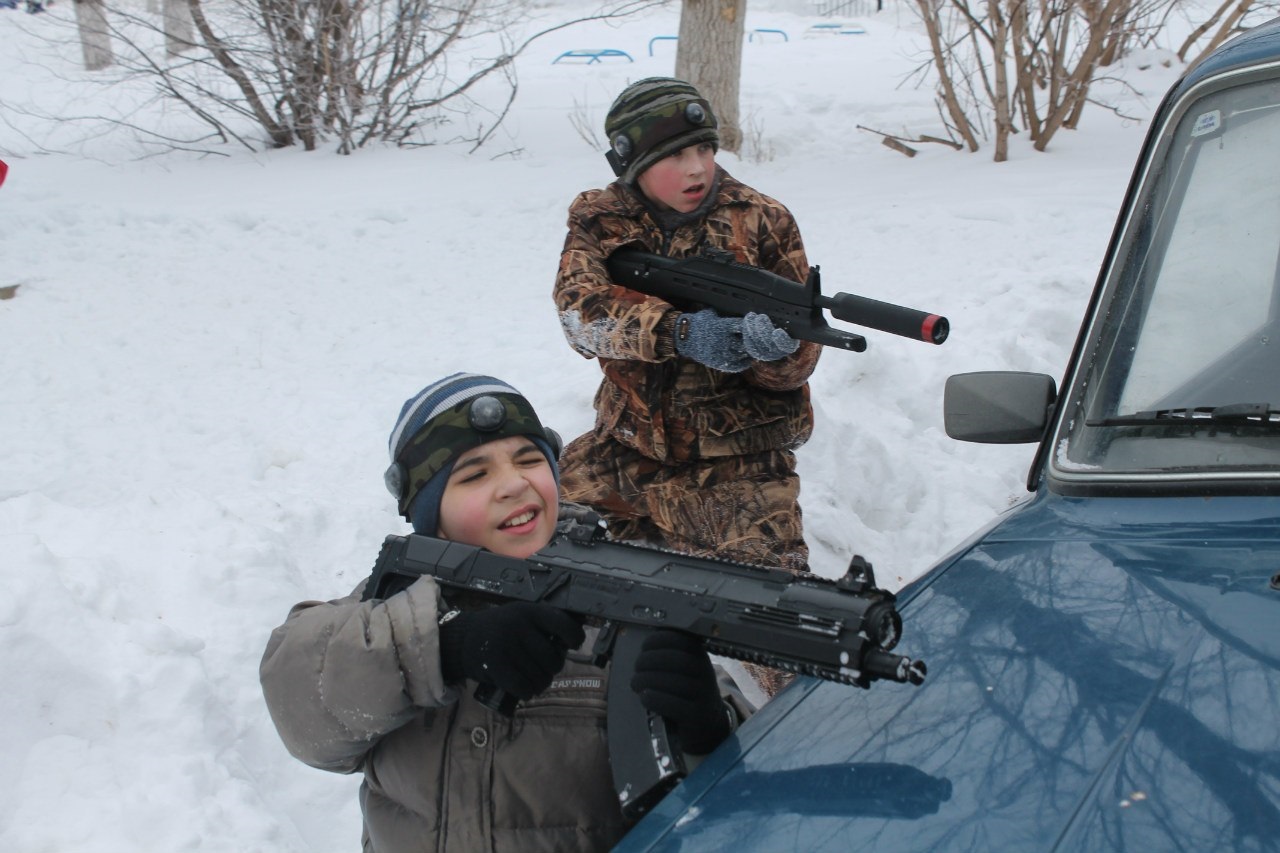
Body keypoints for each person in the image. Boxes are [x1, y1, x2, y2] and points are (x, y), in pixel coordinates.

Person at [259, 372, 750, 853]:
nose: (514, 484)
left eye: (529, 460)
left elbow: (744, 805)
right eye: (475, 474)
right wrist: (446, 645)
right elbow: (301, 701)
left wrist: (709, 732)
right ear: (431, 516)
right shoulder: (390, 608)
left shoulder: (626, 608)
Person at [553, 76, 821, 581]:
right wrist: (678, 332)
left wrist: (775, 353)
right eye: (674, 155)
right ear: (634, 165)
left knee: (770, 604)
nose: (696, 167)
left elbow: (798, 363)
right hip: (624, 447)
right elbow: (579, 314)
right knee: (520, 541)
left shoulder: (762, 220)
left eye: (704, 148)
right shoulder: (601, 218)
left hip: (738, 463)